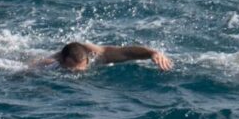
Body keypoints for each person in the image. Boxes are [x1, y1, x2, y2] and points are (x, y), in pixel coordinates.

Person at [31, 40, 171, 73]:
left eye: (81, 69)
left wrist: (152, 53)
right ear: (63, 61)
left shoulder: (97, 54)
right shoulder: (48, 63)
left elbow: (125, 52)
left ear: (87, 60)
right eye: (71, 70)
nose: (77, 75)